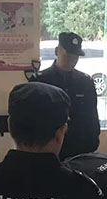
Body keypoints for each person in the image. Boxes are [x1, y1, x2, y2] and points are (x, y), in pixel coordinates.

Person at [33, 32, 100, 160]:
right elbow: (35, 118)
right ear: (57, 51)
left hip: (80, 148)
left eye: (75, 57)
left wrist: (93, 144)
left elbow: (92, 116)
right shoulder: (41, 80)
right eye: (67, 55)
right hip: (49, 149)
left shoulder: (85, 82)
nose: (71, 60)